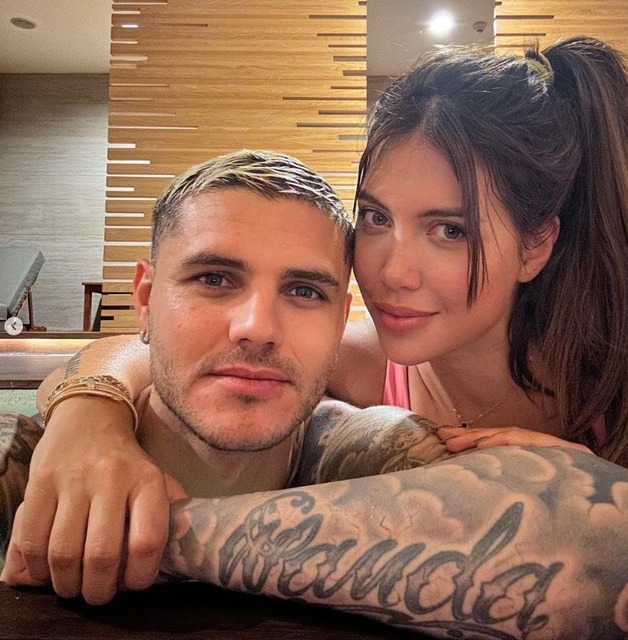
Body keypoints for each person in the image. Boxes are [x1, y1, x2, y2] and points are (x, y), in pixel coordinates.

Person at [4, 36, 628, 636]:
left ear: (536, 246)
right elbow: (154, 349)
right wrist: (89, 419)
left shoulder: (611, 370)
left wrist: (585, 492)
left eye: (450, 230)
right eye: (376, 218)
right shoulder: (361, 362)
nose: (392, 271)